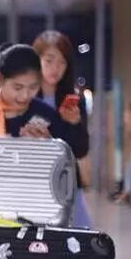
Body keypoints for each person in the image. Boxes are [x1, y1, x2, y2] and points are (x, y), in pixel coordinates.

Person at [0, 43, 89, 163]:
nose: (25, 96)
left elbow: (79, 151)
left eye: (33, 87)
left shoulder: (45, 114)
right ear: (0, 78)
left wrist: (53, 142)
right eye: (18, 87)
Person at [32, 30, 92, 228]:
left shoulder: (73, 101)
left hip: (67, 182)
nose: (55, 68)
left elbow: (81, 149)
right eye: (49, 61)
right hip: (34, 182)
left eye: (62, 62)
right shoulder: (26, 99)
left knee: (78, 237)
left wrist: (73, 124)